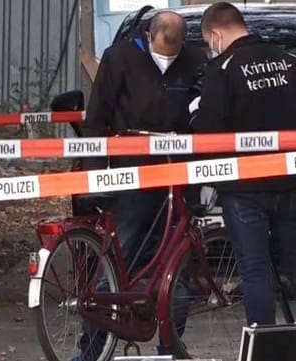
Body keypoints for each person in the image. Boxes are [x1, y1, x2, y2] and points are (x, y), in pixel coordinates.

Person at [190, 3, 296, 361]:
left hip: (245, 187)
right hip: (291, 183)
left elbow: (208, 130)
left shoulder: (222, 69)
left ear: (215, 35)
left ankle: (267, 353)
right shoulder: (292, 63)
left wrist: (194, 114)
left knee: (254, 270)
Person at [75, 10, 207, 361]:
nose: (167, 59)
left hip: (178, 181)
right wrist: (95, 175)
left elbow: (204, 116)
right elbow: (97, 118)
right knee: (117, 264)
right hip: (129, 178)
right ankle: (91, 351)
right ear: (148, 36)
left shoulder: (195, 59)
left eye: (174, 53)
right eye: (162, 51)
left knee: (175, 269)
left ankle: (171, 347)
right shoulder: (120, 58)